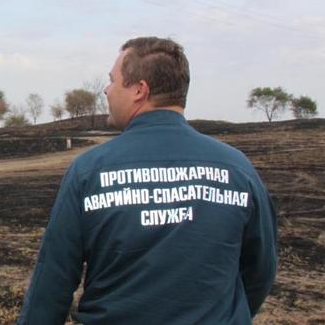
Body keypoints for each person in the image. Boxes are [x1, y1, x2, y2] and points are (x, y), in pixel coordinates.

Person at [17, 37, 278, 324]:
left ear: (139, 90)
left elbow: (53, 279)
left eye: (113, 81)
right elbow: (261, 270)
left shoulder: (89, 171)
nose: (106, 89)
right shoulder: (236, 168)